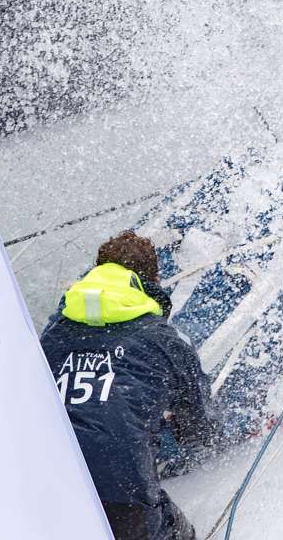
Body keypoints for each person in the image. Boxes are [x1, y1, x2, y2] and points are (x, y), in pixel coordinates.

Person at [39, 231, 219, 540]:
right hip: (123, 502)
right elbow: (198, 431)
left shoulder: (52, 334)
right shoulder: (163, 341)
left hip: (46, 491)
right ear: (153, 280)